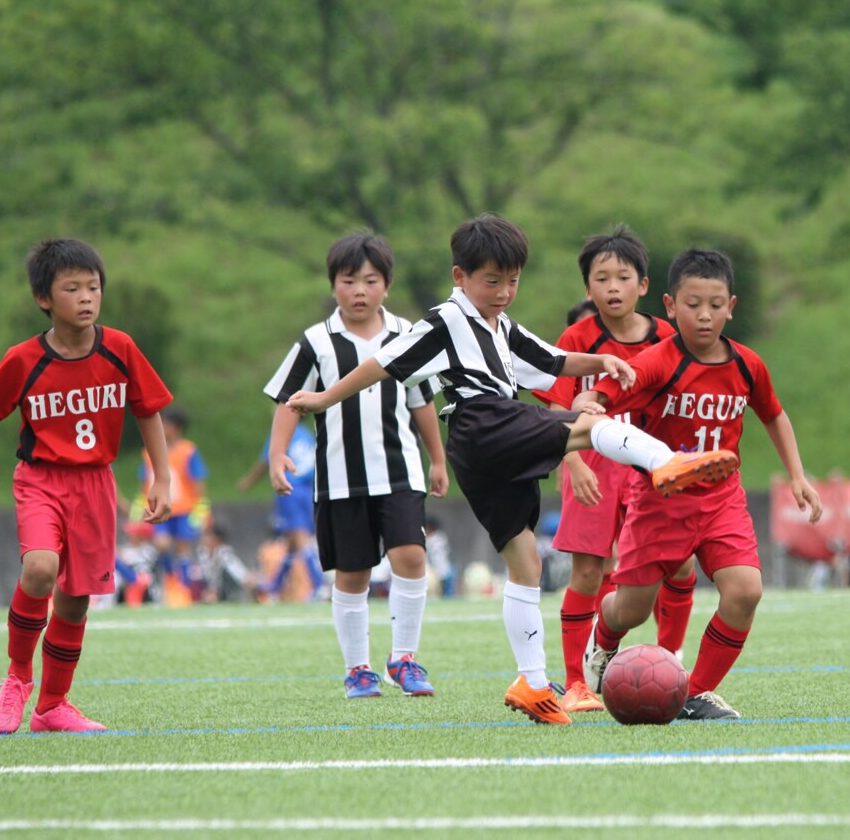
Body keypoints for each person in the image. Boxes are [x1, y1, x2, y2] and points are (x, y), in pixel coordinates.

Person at [285, 213, 739, 725]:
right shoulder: (444, 320)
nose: (503, 292)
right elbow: (382, 364)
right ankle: (668, 462)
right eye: (492, 281)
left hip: (480, 454)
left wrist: (602, 363)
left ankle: (532, 683)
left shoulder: (501, 327)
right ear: (461, 277)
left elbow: (552, 361)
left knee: (526, 564)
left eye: (513, 281)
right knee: (590, 422)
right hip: (483, 422)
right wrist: (324, 397)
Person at [578, 247, 823, 721]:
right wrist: (591, 400)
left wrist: (797, 475)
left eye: (715, 305)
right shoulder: (657, 361)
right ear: (670, 306)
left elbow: (773, 413)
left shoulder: (749, 365)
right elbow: (605, 391)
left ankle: (696, 691)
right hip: (659, 502)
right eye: (692, 305)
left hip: (720, 501)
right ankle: (602, 638)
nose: (705, 316)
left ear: (732, 306)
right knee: (632, 610)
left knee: (745, 591)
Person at [0, 238, 173, 734]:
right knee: (41, 569)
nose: (86, 297)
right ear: (44, 299)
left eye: (93, 286)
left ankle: (52, 707)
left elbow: (147, 408)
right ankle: (17, 678)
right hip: (41, 480)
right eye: (71, 288)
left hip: (96, 484)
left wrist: (162, 476)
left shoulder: (120, 348)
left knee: (74, 598)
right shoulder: (24, 359)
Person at [265, 231, 448, 700]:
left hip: (401, 472)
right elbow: (289, 399)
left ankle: (404, 659)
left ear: (386, 284)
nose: (360, 291)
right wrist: (277, 453)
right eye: (349, 281)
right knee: (352, 573)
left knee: (411, 556)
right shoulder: (316, 342)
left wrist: (438, 459)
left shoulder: (407, 335)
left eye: (371, 280)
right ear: (333, 287)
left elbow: (422, 401)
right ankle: (357, 670)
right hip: (340, 479)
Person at [532, 225, 696, 715]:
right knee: (587, 571)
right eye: (601, 278)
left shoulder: (668, 336)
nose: (612, 287)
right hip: (595, 467)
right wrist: (573, 462)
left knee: (681, 561)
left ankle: (672, 659)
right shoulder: (577, 339)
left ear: (643, 286)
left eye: (622, 277)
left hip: (653, 465)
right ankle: (576, 682)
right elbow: (555, 411)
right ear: (588, 289)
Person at [237, 420, 324, 600]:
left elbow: (267, 460)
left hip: (290, 488)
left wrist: (248, 481)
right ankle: (274, 588)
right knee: (291, 542)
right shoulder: (306, 434)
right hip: (308, 489)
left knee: (299, 539)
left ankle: (320, 585)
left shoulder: (282, 430)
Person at [140, 406, 209, 600]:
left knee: (183, 548)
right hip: (159, 508)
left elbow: (198, 481)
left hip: (185, 509)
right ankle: (171, 578)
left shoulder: (188, 451)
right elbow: (144, 481)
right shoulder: (148, 451)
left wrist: (202, 510)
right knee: (161, 545)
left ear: (176, 428)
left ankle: (185, 590)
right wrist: (139, 508)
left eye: (165, 424)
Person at [425, 515, 455, 599]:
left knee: (445, 595)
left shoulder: (433, 540)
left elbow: (437, 558)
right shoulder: (440, 538)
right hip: (447, 570)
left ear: (429, 528)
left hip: (442, 572)